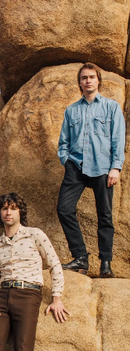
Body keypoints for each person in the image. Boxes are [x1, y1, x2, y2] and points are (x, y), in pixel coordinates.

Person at [0, 193, 69, 351]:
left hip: (28, 294)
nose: (8, 212)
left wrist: (56, 298)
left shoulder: (35, 234)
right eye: (4, 208)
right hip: (2, 297)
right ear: (0, 213)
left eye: (13, 208)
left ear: (20, 212)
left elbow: (54, 264)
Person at [57, 62, 125, 278]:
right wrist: (66, 160)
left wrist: (116, 167)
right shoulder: (71, 110)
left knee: (105, 216)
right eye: (84, 78)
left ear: (98, 81)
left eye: (92, 77)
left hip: (103, 167)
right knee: (64, 209)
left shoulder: (111, 107)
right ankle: (80, 256)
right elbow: (63, 142)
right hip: (76, 166)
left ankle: (105, 263)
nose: (88, 81)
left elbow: (118, 139)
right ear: (79, 82)